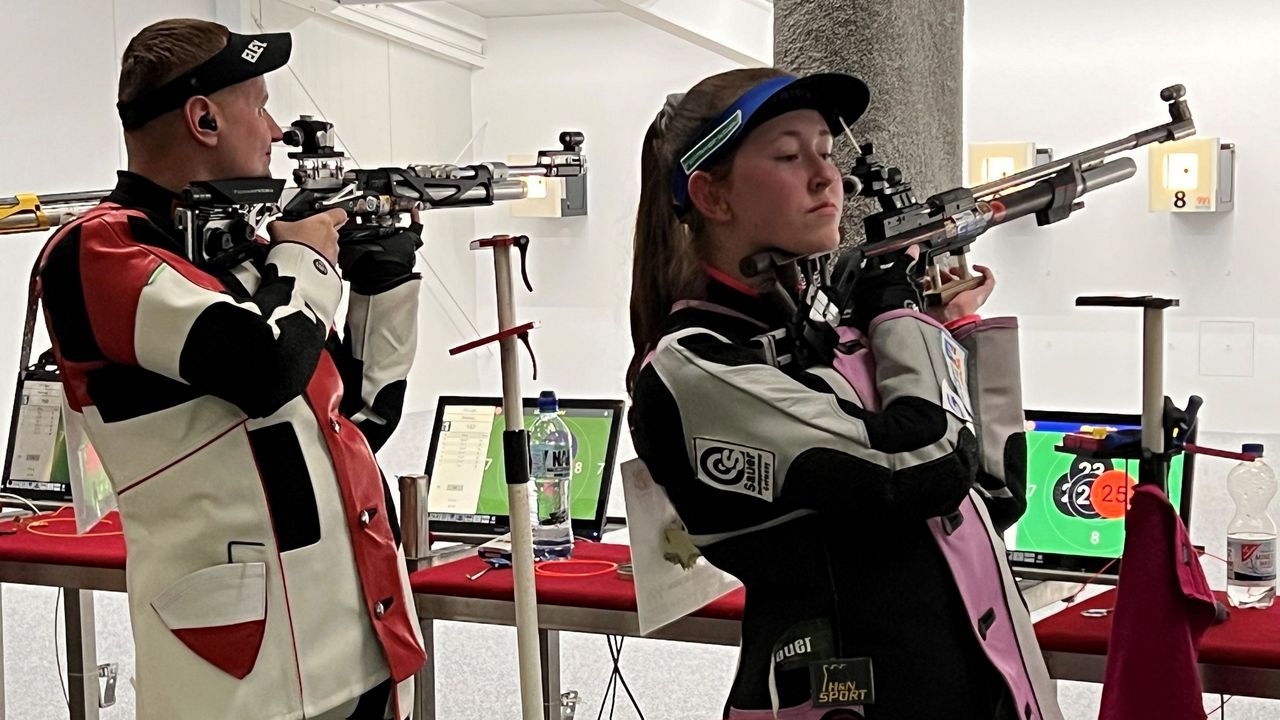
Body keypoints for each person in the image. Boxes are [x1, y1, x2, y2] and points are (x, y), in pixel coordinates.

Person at [626, 68, 1064, 719]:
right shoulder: (695, 365)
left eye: (828, 153)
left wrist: (962, 331)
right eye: (786, 155)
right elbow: (922, 469)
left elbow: (989, 495)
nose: (827, 177)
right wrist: (902, 318)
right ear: (712, 197)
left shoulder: (826, 336)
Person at [35, 19, 425, 720]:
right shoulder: (99, 250)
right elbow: (267, 368)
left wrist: (385, 282)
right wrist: (310, 259)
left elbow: (361, 419)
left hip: (355, 642)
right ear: (203, 117)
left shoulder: (245, 257)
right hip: (246, 673)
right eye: (260, 104)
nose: (276, 131)